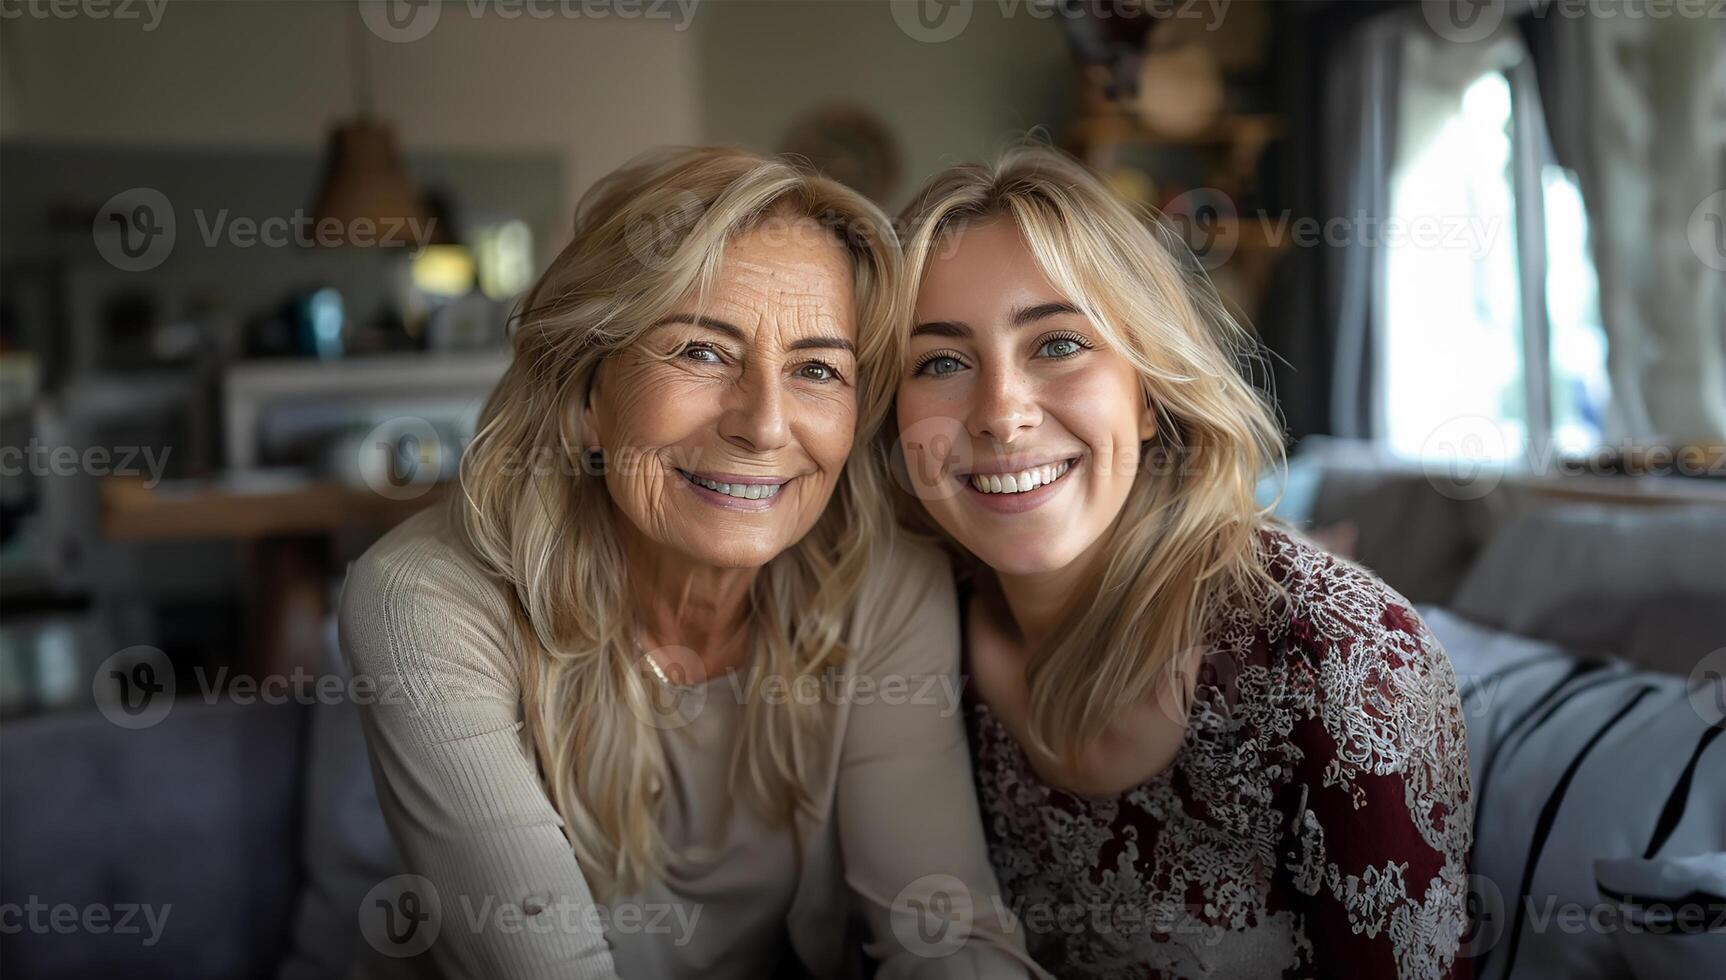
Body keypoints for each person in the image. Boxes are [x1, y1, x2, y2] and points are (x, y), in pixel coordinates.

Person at [340, 146, 1039, 979]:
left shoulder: (878, 579)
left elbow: (944, 931)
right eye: (702, 352)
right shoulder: (425, 602)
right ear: (585, 395)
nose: (767, 426)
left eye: (818, 368)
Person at [888, 145, 1474, 979]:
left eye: (1057, 343)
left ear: (1150, 390)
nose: (1000, 414)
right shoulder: (905, 626)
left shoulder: (1343, 656)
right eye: (940, 361)